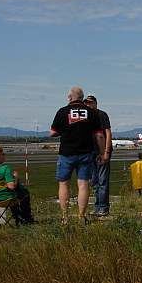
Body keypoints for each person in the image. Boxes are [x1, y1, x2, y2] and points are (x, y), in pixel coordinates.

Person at [50, 87, 108, 224]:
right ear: (82, 98)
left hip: (66, 153)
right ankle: (82, 216)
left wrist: (64, 131)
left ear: (70, 97)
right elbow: (99, 135)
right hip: (85, 153)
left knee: (64, 184)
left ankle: (65, 217)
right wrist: (102, 152)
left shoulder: (62, 112)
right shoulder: (91, 113)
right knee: (83, 185)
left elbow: (52, 133)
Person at [84, 95, 112, 216]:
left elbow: (108, 132)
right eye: (86, 103)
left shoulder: (101, 115)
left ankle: (104, 207)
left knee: (103, 180)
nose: (88, 105)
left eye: (90, 103)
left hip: (102, 152)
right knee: (94, 181)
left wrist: (106, 151)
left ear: (96, 103)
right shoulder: (87, 116)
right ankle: (97, 206)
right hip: (91, 152)